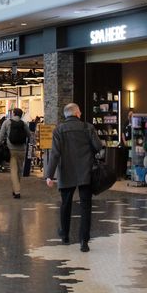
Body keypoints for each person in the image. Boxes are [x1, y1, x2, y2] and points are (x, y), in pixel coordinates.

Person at [44, 103, 103, 252]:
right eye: (80, 112)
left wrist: (49, 175)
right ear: (76, 113)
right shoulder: (87, 127)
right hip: (86, 172)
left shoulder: (59, 130)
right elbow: (98, 146)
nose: (81, 114)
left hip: (66, 172)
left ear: (66, 115)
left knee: (66, 204)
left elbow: (55, 154)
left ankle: (65, 235)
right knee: (85, 206)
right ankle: (84, 241)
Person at [0, 107, 30, 199]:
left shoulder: (7, 122)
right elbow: (29, 135)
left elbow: (1, 136)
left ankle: (17, 191)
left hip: (11, 150)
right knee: (19, 171)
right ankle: (15, 189)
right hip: (22, 150)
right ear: (21, 115)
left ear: (13, 114)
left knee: (13, 171)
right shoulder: (23, 124)